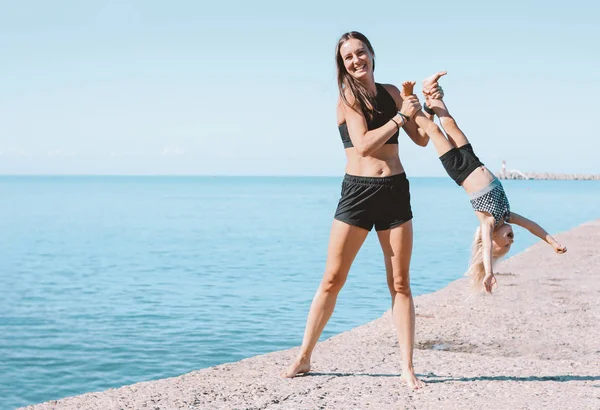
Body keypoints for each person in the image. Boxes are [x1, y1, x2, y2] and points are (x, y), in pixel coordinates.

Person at [281, 31, 439, 390]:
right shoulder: (347, 100)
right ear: (343, 64)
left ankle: (407, 367)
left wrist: (423, 104)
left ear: (371, 54)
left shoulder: (393, 93)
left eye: (361, 52)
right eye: (348, 57)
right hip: (358, 193)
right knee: (332, 279)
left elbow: (422, 138)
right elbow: (365, 145)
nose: (356, 60)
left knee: (400, 283)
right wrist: (400, 117)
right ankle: (304, 357)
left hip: (395, 191)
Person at [408, 71, 567, 293]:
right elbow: (531, 225)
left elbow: (485, 253)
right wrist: (551, 242)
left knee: (434, 130)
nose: (511, 241)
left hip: (460, 170)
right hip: (474, 161)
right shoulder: (506, 214)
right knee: (450, 123)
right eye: (511, 242)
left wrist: (490, 272)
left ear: (493, 240)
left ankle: (409, 103)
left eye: (506, 243)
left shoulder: (489, 223)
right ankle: (429, 90)